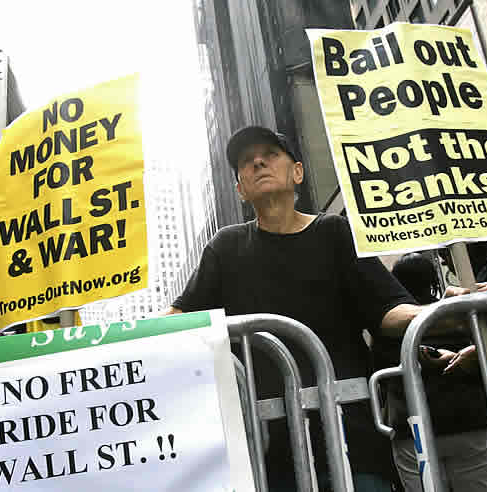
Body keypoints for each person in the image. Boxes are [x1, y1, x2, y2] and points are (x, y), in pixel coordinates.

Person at [166, 126, 428, 492]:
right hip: (268, 448)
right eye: (245, 162)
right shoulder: (225, 249)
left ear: (298, 172)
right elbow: (179, 320)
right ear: (240, 189)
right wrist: (111, 341)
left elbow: (387, 310)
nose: (257, 162)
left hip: (350, 437)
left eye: (270, 154)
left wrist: (444, 310)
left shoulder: (335, 233)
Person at [382, 253, 487, 492]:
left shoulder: (390, 324)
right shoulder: (459, 311)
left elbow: (381, 368)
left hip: (412, 428)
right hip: (468, 419)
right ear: (434, 279)